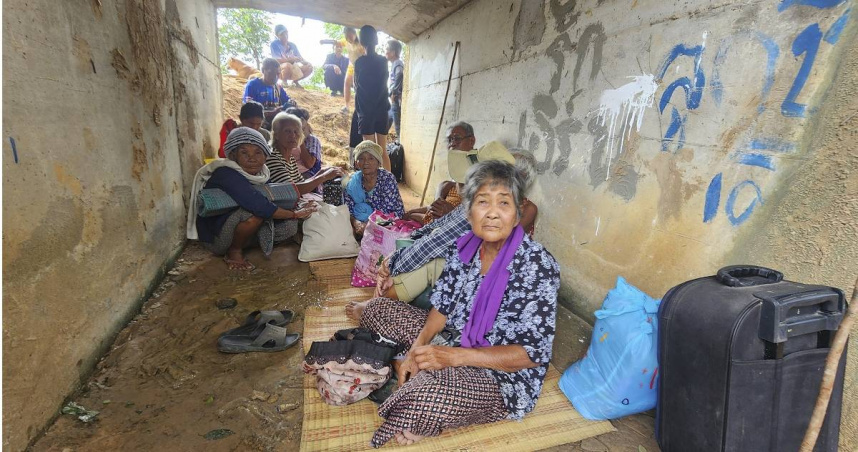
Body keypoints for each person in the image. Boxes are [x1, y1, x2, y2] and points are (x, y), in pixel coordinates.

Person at [354, 159, 560, 447]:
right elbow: (442, 308)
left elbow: (530, 355)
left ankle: (422, 391)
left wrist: (453, 358)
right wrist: (418, 350)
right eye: (482, 202)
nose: (492, 214)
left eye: (503, 204)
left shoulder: (537, 266)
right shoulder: (464, 249)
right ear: (469, 212)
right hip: (452, 340)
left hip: (500, 374)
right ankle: (416, 374)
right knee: (377, 309)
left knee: (425, 394)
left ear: (517, 215)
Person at [346, 140, 515, 317]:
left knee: (425, 261)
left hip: (476, 290)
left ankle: (375, 307)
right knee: (419, 250)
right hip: (470, 273)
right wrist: (412, 239)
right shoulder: (478, 204)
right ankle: (377, 304)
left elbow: (433, 244)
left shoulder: (480, 213)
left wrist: (391, 262)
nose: (457, 182)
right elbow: (438, 225)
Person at [187, 127, 316, 270]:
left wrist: (294, 212)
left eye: (258, 152)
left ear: (265, 156)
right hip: (217, 237)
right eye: (244, 153)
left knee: (289, 225)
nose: (252, 158)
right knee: (254, 214)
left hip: (247, 230)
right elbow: (258, 204)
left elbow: (271, 199)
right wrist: (294, 214)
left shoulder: (262, 173)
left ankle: (248, 242)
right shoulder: (226, 172)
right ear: (234, 156)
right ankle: (233, 251)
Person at [403, 122, 476, 224]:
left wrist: (453, 213)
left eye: (457, 138)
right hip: (442, 216)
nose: (452, 144)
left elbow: (472, 212)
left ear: (471, 140)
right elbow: (442, 205)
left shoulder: (477, 167)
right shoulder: (457, 168)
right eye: (449, 140)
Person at [266, 112, 342, 192]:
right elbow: (290, 191)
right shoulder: (273, 158)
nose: (293, 135)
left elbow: (301, 183)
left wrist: (321, 173)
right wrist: (323, 176)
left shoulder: (289, 158)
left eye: (296, 132)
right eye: (287, 131)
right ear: (276, 135)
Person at [344, 140, 405, 236]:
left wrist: (367, 225)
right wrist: (356, 223)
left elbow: (387, 211)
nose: (366, 163)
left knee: (387, 231)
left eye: (371, 158)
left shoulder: (387, 179)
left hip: (387, 220)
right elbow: (348, 208)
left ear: (378, 162)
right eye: (361, 159)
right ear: (356, 163)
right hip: (360, 222)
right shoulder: (352, 183)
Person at [352, 25, 391, 171]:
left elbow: (357, 87)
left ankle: (372, 190)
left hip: (366, 111)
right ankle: (389, 187)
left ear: (361, 41)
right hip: (381, 109)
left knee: (369, 152)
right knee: (382, 151)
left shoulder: (360, 62)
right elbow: (383, 85)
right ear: (376, 40)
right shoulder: (383, 61)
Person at [242, 58, 295, 129]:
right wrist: (271, 113)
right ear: (263, 70)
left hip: (276, 122)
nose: (275, 77)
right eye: (271, 73)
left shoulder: (278, 87)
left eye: (278, 74)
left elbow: (288, 101)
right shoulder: (253, 85)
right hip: (259, 125)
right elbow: (249, 111)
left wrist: (291, 103)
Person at [284, 107, 322, 178]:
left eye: (302, 129)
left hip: (307, 175)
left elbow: (309, 164)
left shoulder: (311, 140)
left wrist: (300, 139)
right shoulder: (282, 139)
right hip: (288, 174)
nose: (293, 134)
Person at [386, 40, 404, 138]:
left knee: (398, 127)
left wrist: (394, 92)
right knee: (387, 119)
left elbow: (400, 74)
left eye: (387, 49)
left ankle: (400, 147)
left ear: (393, 53)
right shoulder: (395, 64)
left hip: (396, 99)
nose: (386, 52)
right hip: (393, 100)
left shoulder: (397, 63)